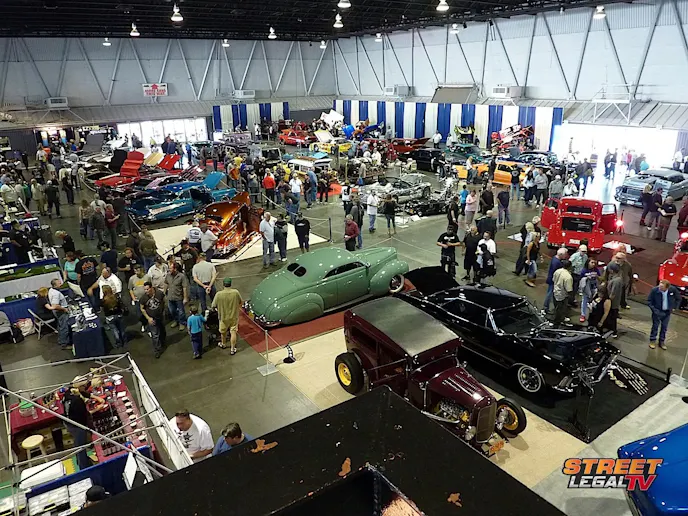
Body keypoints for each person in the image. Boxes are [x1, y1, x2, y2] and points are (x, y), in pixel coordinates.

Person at [63, 385, 105, 470]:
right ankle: (84, 467)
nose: (86, 388)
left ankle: (81, 460)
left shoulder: (69, 392)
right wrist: (97, 409)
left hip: (68, 423)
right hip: (77, 426)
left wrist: (96, 397)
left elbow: (84, 393)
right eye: (84, 387)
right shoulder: (78, 401)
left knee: (77, 444)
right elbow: (86, 415)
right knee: (81, 446)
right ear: (80, 387)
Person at [212, 277, 242, 354]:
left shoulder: (219, 294)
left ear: (223, 284)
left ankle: (223, 344)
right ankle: (232, 349)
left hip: (223, 317)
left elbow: (213, 306)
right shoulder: (235, 292)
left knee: (223, 332)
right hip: (234, 316)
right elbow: (240, 302)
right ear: (230, 284)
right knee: (233, 332)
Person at [647, 279, 681, 350]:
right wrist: (654, 310)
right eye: (659, 286)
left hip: (667, 312)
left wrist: (674, 307)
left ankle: (661, 342)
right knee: (655, 327)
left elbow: (678, 298)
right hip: (657, 312)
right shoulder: (654, 290)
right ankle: (652, 341)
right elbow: (649, 301)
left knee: (664, 327)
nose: (660, 288)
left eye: (662, 287)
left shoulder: (672, 290)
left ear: (667, 287)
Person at [140, 282, 166, 358]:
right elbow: (142, 308)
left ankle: (163, 343)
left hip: (160, 316)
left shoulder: (159, 293)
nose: (146, 291)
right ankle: (157, 350)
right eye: (145, 289)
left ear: (151, 288)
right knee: (155, 335)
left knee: (162, 331)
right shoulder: (143, 298)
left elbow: (164, 301)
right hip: (151, 318)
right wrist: (148, 318)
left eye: (147, 289)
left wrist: (163, 311)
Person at [101, 284, 127, 349]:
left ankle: (118, 343)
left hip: (110, 317)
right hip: (118, 315)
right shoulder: (116, 297)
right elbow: (121, 305)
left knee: (114, 330)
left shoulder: (104, 300)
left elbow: (103, 309)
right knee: (121, 329)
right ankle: (124, 341)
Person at [47, 278, 70, 349]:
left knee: (60, 326)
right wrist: (64, 309)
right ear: (55, 285)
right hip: (61, 312)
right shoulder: (56, 294)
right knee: (64, 327)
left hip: (57, 312)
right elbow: (55, 306)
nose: (61, 284)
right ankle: (64, 344)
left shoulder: (51, 290)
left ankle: (61, 340)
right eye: (59, 283)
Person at [165, 262, 188, 330]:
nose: (169, 269)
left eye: (170, 268)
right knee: (172, 311)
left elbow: (184, 287)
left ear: (175, 269)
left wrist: (185, 298)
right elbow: (166, 283)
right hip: (170, 297)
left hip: (178, 297)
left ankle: (182, 322)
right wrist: (164, 293)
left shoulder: (181, 276)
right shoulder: (168, 275)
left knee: (181, 312)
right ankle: (176, 320)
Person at [544, 248, 568, 313]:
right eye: (565, 254)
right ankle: (546, 307)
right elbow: (555, 273)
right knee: (549, 294)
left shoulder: (555, 259)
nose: (565, 256)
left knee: (550, 293)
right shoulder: (556, 262)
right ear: (561, 254)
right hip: (553, 280)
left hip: (552, 279)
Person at [604, 262, 623, 338]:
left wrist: (608, 301)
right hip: (613, 302)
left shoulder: (616, 281)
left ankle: (613, 331)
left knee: (612, 317)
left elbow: (613, 293)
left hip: (613, 303)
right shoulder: (615, 278)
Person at [552, 259, 573, 324]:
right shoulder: (568, 276)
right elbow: (569, 289)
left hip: (555, 291)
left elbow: (553, 280)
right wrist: (571, 296)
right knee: (561, 309)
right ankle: (558, 321)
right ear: (570, 267)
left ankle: (558, 319)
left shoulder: (557, 271)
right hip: (562, 295)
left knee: (556, 307)